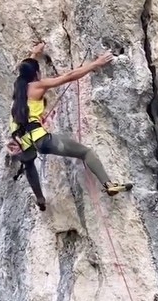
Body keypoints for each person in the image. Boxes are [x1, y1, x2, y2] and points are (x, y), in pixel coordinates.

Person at [10, 41, 133, 212]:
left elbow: (26, 71)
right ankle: (109, 184)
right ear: (36, 73)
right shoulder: (37, 86)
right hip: (42, 140)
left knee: (28, 163)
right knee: (86, 153)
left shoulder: (18, 87)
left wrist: (34, 54)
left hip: (23, 140)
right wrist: (95, 64)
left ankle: (40, 198)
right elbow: (68, 76)